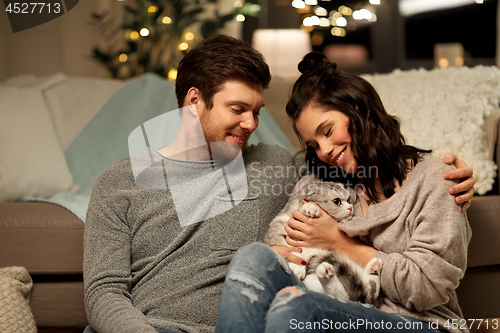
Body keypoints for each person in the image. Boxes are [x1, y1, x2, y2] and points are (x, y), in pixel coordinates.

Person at [84, 36, 474, 333]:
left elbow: (372, 154)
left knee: (258, 262)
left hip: (251, 323)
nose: (251, 125)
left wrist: (460, 176)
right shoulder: (119, 184)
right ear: (193, 102)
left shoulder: (271, 164)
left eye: (256, 112)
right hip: (152, 329)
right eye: (238, 110)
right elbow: (104, 293)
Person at [214, 52, 473, 333]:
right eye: (314, 144)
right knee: (252, 256)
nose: (323, 151)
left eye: (327, 131)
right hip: (334, 301)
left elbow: (427, 287)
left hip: (419, 322)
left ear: (362, 110)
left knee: (300, 309)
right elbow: (288, 245)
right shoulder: (319, 180)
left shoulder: (436, 179)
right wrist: (280, 254)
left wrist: (340, 243)